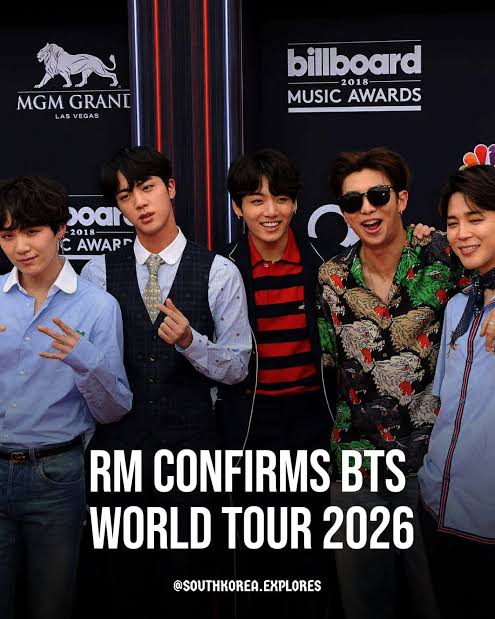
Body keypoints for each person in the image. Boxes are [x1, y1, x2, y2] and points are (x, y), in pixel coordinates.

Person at [78, 145, 251, 619]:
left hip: (194, 453)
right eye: (125, 196)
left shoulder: (219, 271)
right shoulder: (97, 272)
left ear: (170, 188)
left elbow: (238, 366)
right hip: (119, 454)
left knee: (190, 581)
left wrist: (191, 342)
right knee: (121, 584)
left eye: (147, 187)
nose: (139, 202)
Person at [318, 146, 473, 619]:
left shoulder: (445, 257)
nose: (367, 209)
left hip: (432, 463)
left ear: (401, 199)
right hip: (355, 465)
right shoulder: (332, 277)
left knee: (436, 598)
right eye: (353, 202)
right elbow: (332, 361)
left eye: (378, 196)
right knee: (363, 602)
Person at [0, 176, 132, 619]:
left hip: (57, 475)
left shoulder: (97, 306)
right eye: (7, 235)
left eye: (32, 231)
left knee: (52, 605)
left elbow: (114, 409)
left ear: (60, 229)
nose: (21, 247)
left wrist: (85, 359)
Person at [220, 149, 337, 619]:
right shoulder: (222, 270)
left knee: (314, 549)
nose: (270, 211)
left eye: (281, 199)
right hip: (251, 426)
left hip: (313, 422)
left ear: (295, 204)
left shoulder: (324, 266)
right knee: (257, 551)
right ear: (237, 207)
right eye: (256, 200)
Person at [418, 164, 495, 619]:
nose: (462, 233)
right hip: (439, 507)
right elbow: (445, 401)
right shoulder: (458, 305)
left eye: (476, 218)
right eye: (452, 222)